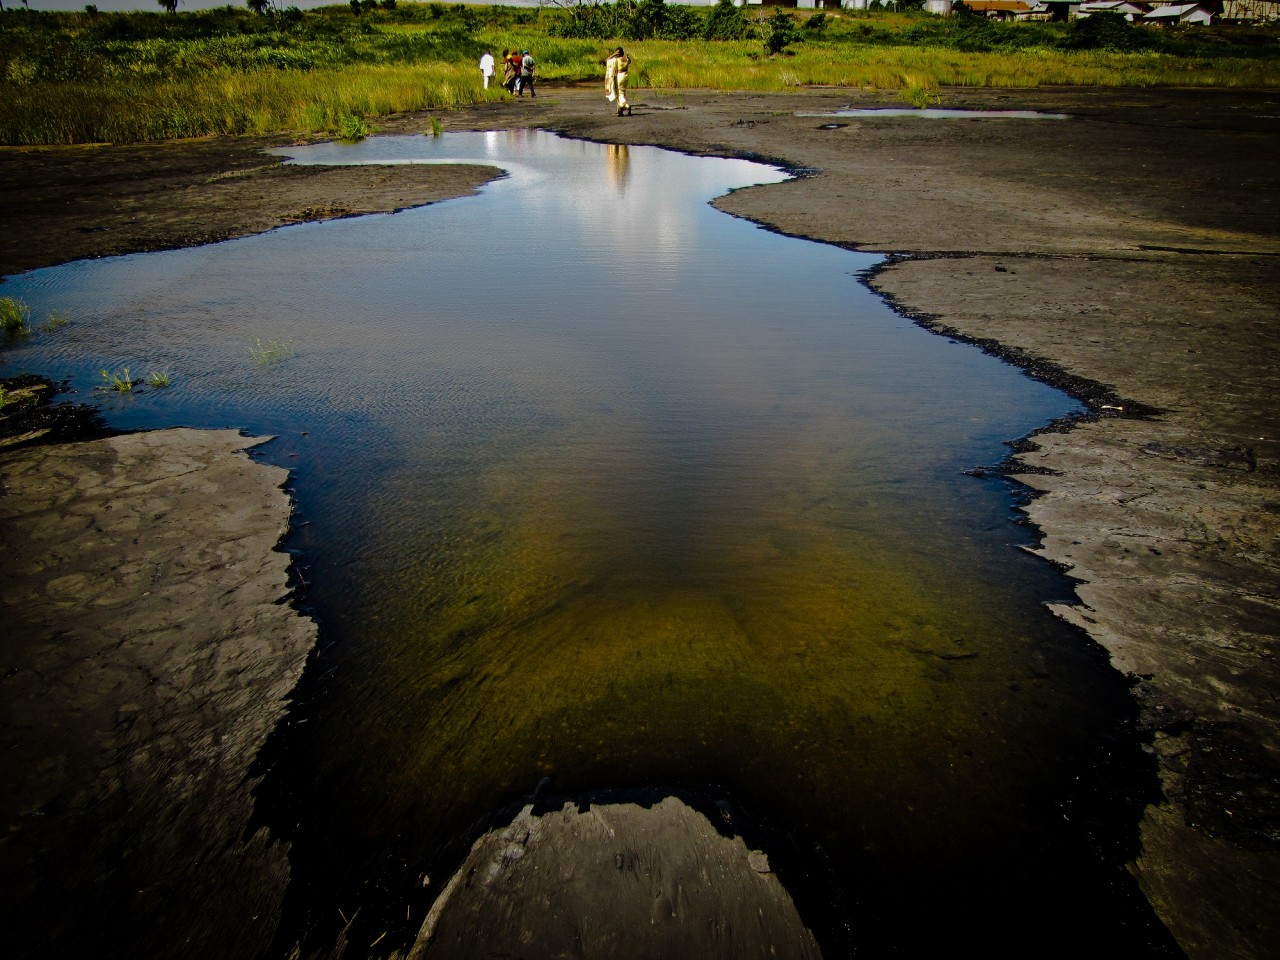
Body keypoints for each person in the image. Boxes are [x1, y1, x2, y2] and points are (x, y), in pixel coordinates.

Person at [605, 47, 632, 117]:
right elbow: (629, 61)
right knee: (622, 92)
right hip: (625, 76)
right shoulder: (627, 58)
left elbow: (607, 60)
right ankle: (620, 111)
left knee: (619, 93)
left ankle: (625, 106)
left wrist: (613, 54)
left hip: (619, 76)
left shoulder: (616, 59)